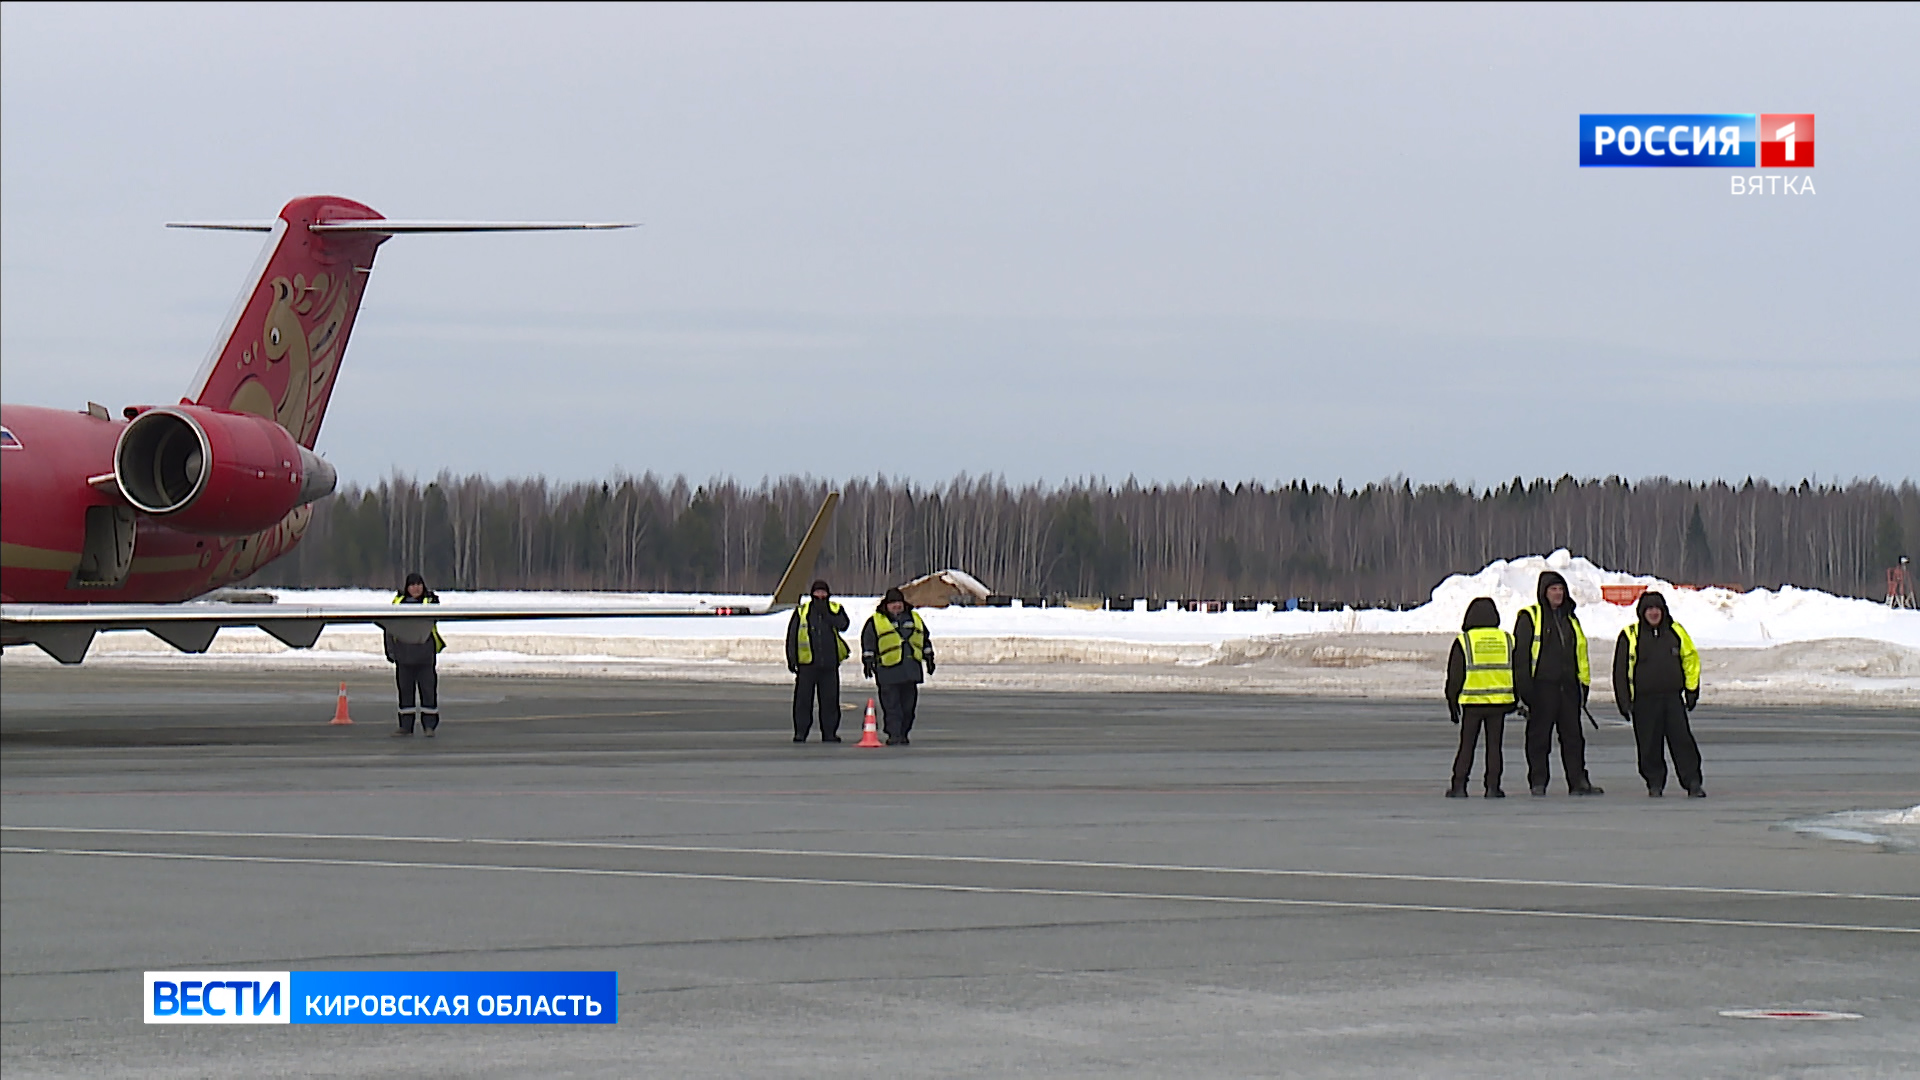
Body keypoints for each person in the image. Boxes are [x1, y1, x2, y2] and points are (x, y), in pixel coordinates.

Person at [1512, 570, 1603, 796]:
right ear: (1544, 592)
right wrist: (1525, 689)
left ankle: (1578, 781)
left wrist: (1583, 685)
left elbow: (1580, 653)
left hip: (1568, 688)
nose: (1558, 593)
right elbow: (1521, 655)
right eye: (1553, 589)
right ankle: (1538, 781)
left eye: (1561, 589)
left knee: (1574, 738)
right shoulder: (1530, 617)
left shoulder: (1570, 618)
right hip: (1542, 688)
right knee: (1539, 738)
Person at [1612, 591, 1705, 798]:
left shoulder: (1676, 632)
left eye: (1657, 609)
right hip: (1644, 702)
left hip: (1672, 699)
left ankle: (1693, 782)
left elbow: (1690, 660)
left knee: (1683, 742)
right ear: (1642, 612)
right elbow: (1620, 671)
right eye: (1649, 609)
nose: (1654, 613)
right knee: (1648, 746)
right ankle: (1654, 782)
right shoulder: (1630, 635)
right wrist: (1624, 701)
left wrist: (1692, 690)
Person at [1444, 597, 1515, 798]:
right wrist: (1516, 698)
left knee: (1467, 745)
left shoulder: (1465, 641)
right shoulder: (1507, 639)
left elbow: (1455, 675)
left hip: (1472, 703)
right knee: (1494, 747)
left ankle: (1459, 785)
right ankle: (1493, 786)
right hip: (1499, 703)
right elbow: (1517, 670)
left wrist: (1452, 701)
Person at [860, 587, 935, 745]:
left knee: (908, 708)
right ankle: (894, 734)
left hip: (910, 670)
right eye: (893, 603)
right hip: (888, 671)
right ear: (886, 604)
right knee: (892, 707)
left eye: (899, 602)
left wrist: (929, 657)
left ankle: (903, 732)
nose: (896, 606)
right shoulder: (876, 621)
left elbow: (924, 638)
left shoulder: (914, 618)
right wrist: (868, 661)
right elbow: (868, 642)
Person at [786, 579, 851, 742]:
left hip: (829, 664)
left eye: (823, 592)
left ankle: (829, 732)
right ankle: (801, 731)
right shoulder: (802, 612)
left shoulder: (835, 609)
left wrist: (827, 614)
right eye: (817, 592)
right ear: (812, 594)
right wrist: (792, 658)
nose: (820, 595)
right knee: (803, 701)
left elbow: (844, 624)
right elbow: (792, 636)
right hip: (807, 664)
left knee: (830, 701)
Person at [383, 572, 445, 737]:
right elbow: (389, 629)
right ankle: (405, 726)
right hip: (404, 655)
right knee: (405, 692)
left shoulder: (430, 601)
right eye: (412, 585)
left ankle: (429, 726)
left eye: (419, 584)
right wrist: (390, 651)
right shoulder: (397, 603)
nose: (416, 588)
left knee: (428, 691)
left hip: (425, 656)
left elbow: (437, 611)